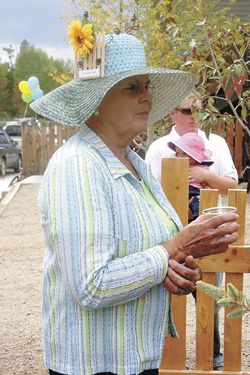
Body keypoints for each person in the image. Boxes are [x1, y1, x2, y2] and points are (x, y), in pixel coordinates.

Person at [30, 33, 239, 375]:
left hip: (132, 358)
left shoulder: (134, 162)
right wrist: (178, 245)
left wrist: (174, 269)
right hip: (93, 364)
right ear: (96, 98)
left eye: (146, 85)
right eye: (132, 87)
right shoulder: (78, 164)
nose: (147, 96)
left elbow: (144, 252)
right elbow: (92, 284)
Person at [145, 93, 238, 370]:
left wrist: (206, 176)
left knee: (210, 298)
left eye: (200, 109)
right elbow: (148, 193)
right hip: (170, 237)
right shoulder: (159, 147)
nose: (194, 116)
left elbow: (233, 186)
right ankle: (165, 360)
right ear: (173, 113)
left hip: (210, 235)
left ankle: (213, 358)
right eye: (187, 110)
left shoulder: (216, 142)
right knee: (164, 299)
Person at [168, 132, 214, 221]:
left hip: (195, 192)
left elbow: (206, 185)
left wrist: (207, 190)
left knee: (197, 201)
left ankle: (197, 219)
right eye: (177, 153)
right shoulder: (175, 167)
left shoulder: (201, 169)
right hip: (180, 193)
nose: (180, 156)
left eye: (184, 153)